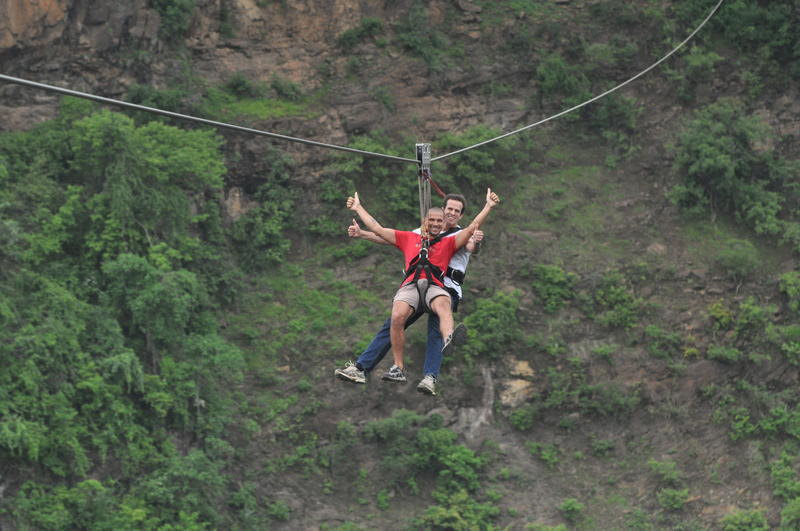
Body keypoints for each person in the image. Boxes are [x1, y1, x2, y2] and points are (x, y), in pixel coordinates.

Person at [337, 188, 500, 394]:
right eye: (448, 209)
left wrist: (478, 237)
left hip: (445, 285)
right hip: (418, 282)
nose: (451, 213)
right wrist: (362, 234)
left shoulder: (457, 236)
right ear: (441, 211)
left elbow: (470, 244)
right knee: (394, 323)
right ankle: (363, 367)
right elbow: (390, 237)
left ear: (461, 215)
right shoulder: (424, 232)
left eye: (456, 211)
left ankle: (430, 376)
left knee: (436, 326)